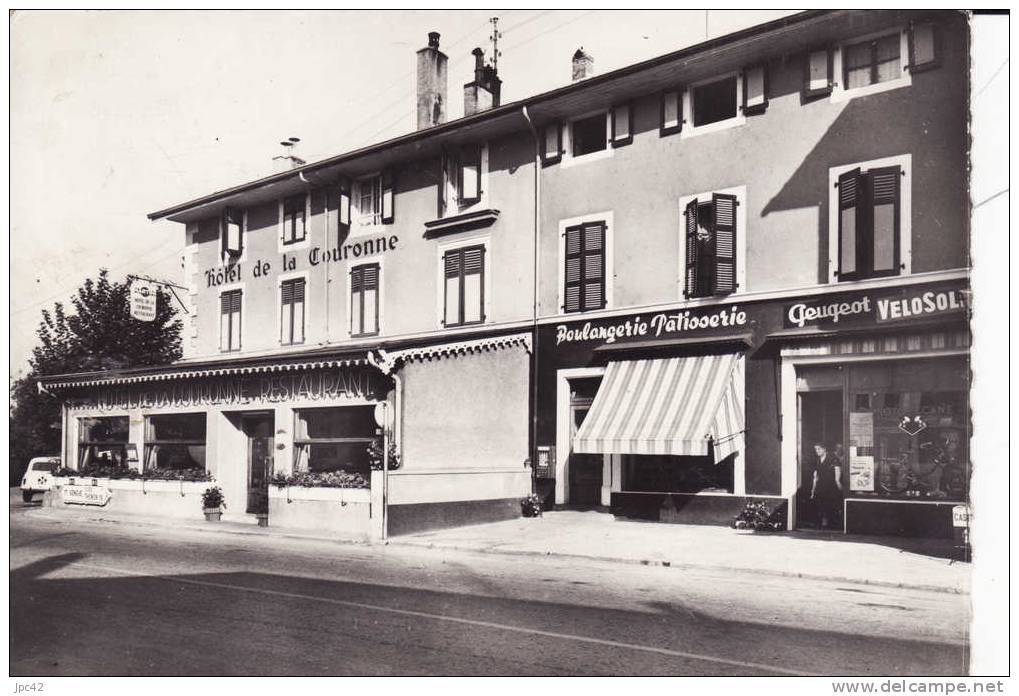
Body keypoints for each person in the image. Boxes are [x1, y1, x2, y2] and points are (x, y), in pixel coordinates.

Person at [810, 443, 844, 530]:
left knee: (830, 505)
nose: (817, 451)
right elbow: (816, 476)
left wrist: (839, 486)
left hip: (830, 486)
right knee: (819, 505)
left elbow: (837, 473)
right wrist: (813, 490)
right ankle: (822, 523)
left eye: (819, 449)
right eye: (816, 449)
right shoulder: (817, 460)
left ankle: (829, 524)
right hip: (820, 486)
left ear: (824, 449)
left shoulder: (833, 459)